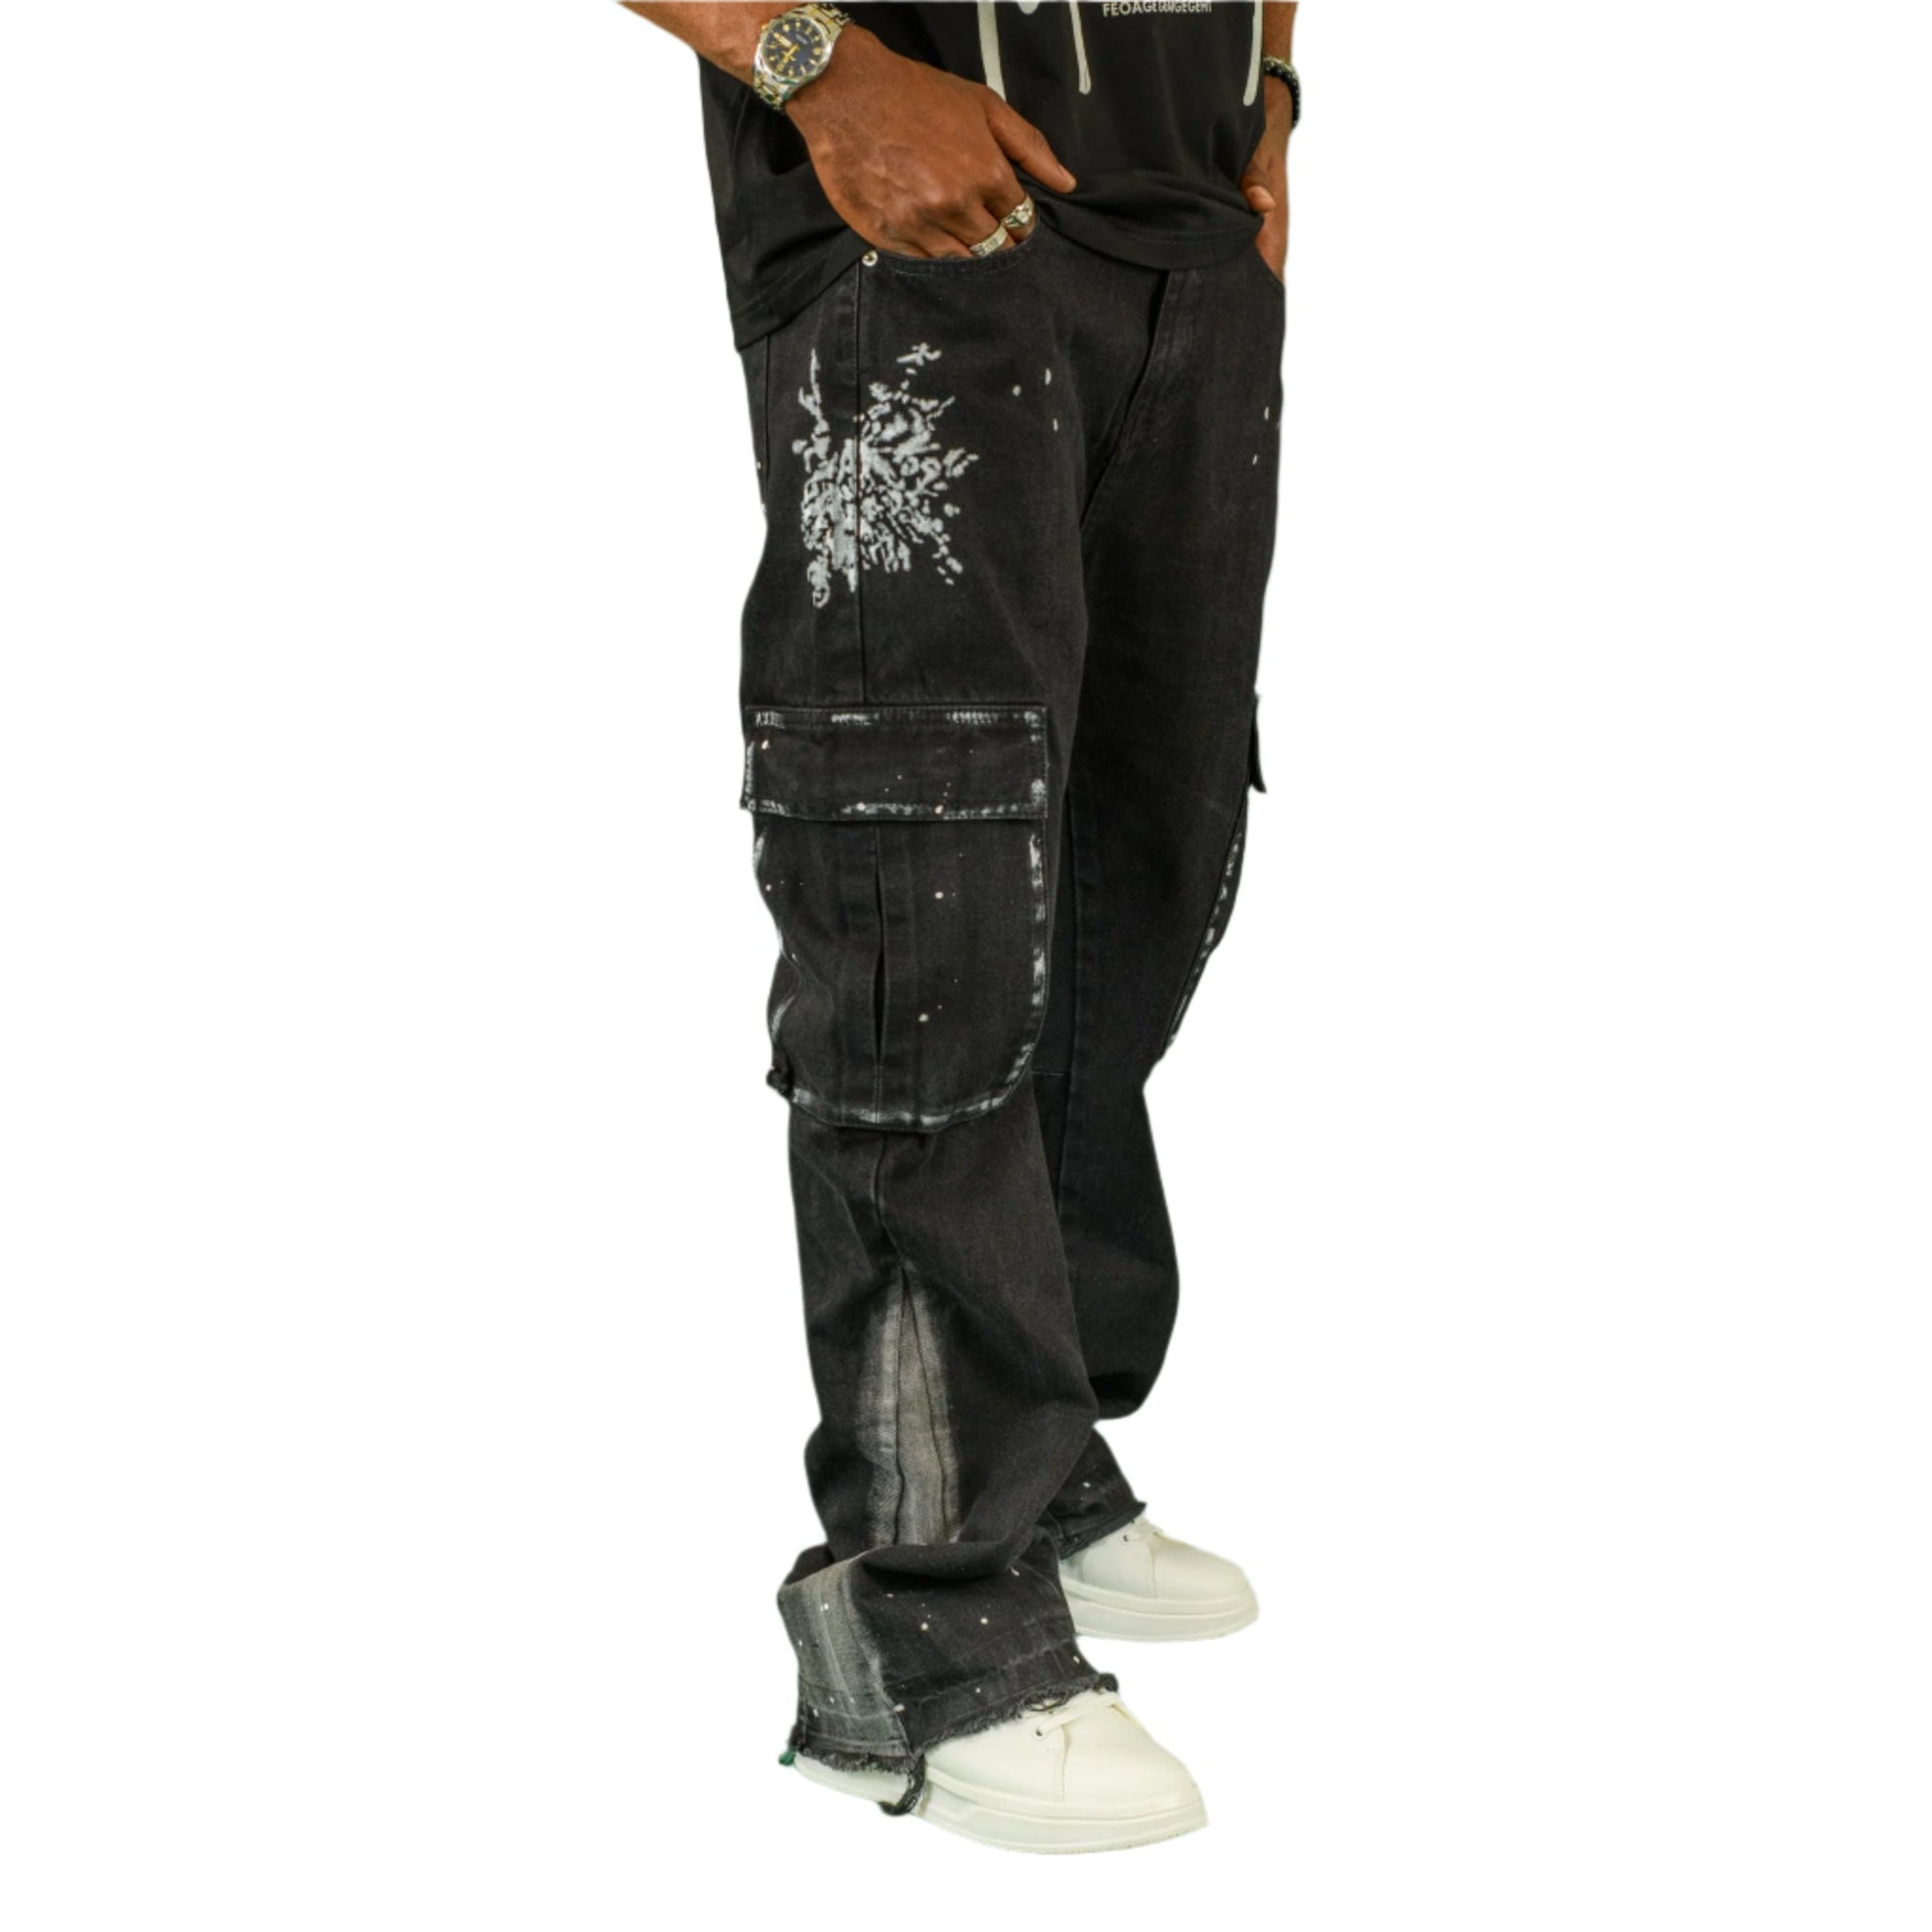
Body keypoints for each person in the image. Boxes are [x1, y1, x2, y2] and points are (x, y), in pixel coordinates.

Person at [620, 0, 1299, 1854]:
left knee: (1136, 863)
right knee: (927, 887)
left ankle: (1042, 1451)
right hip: (917, 230)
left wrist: (1272, 100)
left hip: (1188, 236)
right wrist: (817, 70)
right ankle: (928, 1617)